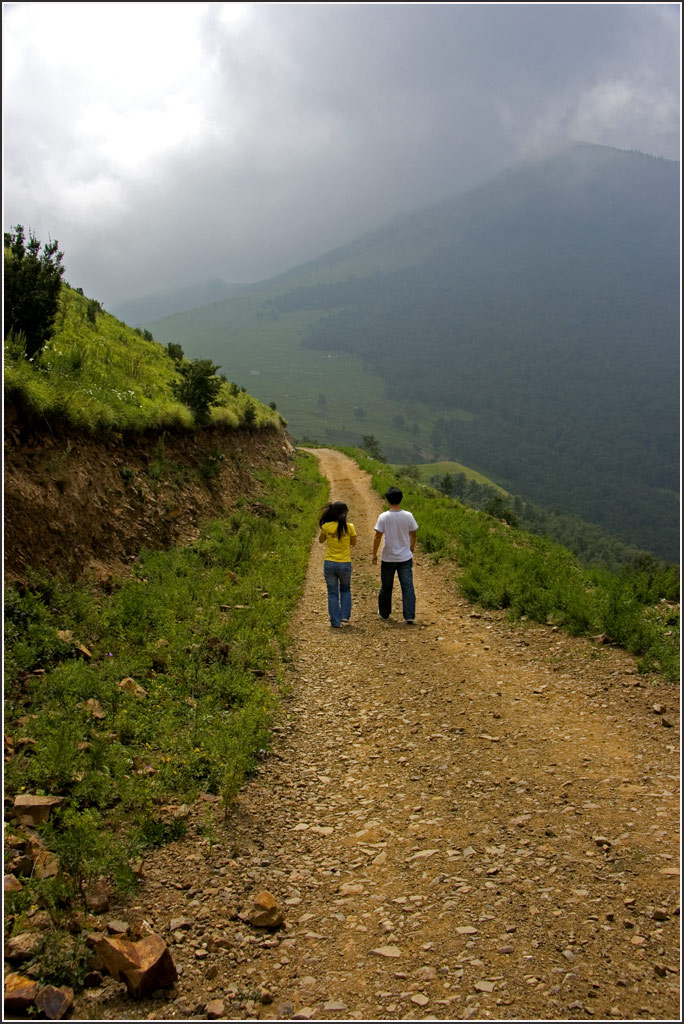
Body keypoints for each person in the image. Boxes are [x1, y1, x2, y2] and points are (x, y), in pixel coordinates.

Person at [372, 486, 418, 624]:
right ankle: (409, 615)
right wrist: (411, 548)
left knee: (386, 586)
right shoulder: (408, 515)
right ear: (401, 499)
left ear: (387, 500)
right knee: (408, 586)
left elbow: (378, 536)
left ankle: (385, 613)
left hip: (388, 557)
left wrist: (374, 553)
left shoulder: (384, 517)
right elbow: (413, 534)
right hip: (405, 557)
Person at [318, 501, 357, 628]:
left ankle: (335, 621)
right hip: (344, 563)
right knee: (345, 589)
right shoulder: (350, 527)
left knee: (332, 593)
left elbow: (321, 540)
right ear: (345, 514)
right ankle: (345, 616)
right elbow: (353, 543)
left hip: (329, 563)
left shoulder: (327, 526)